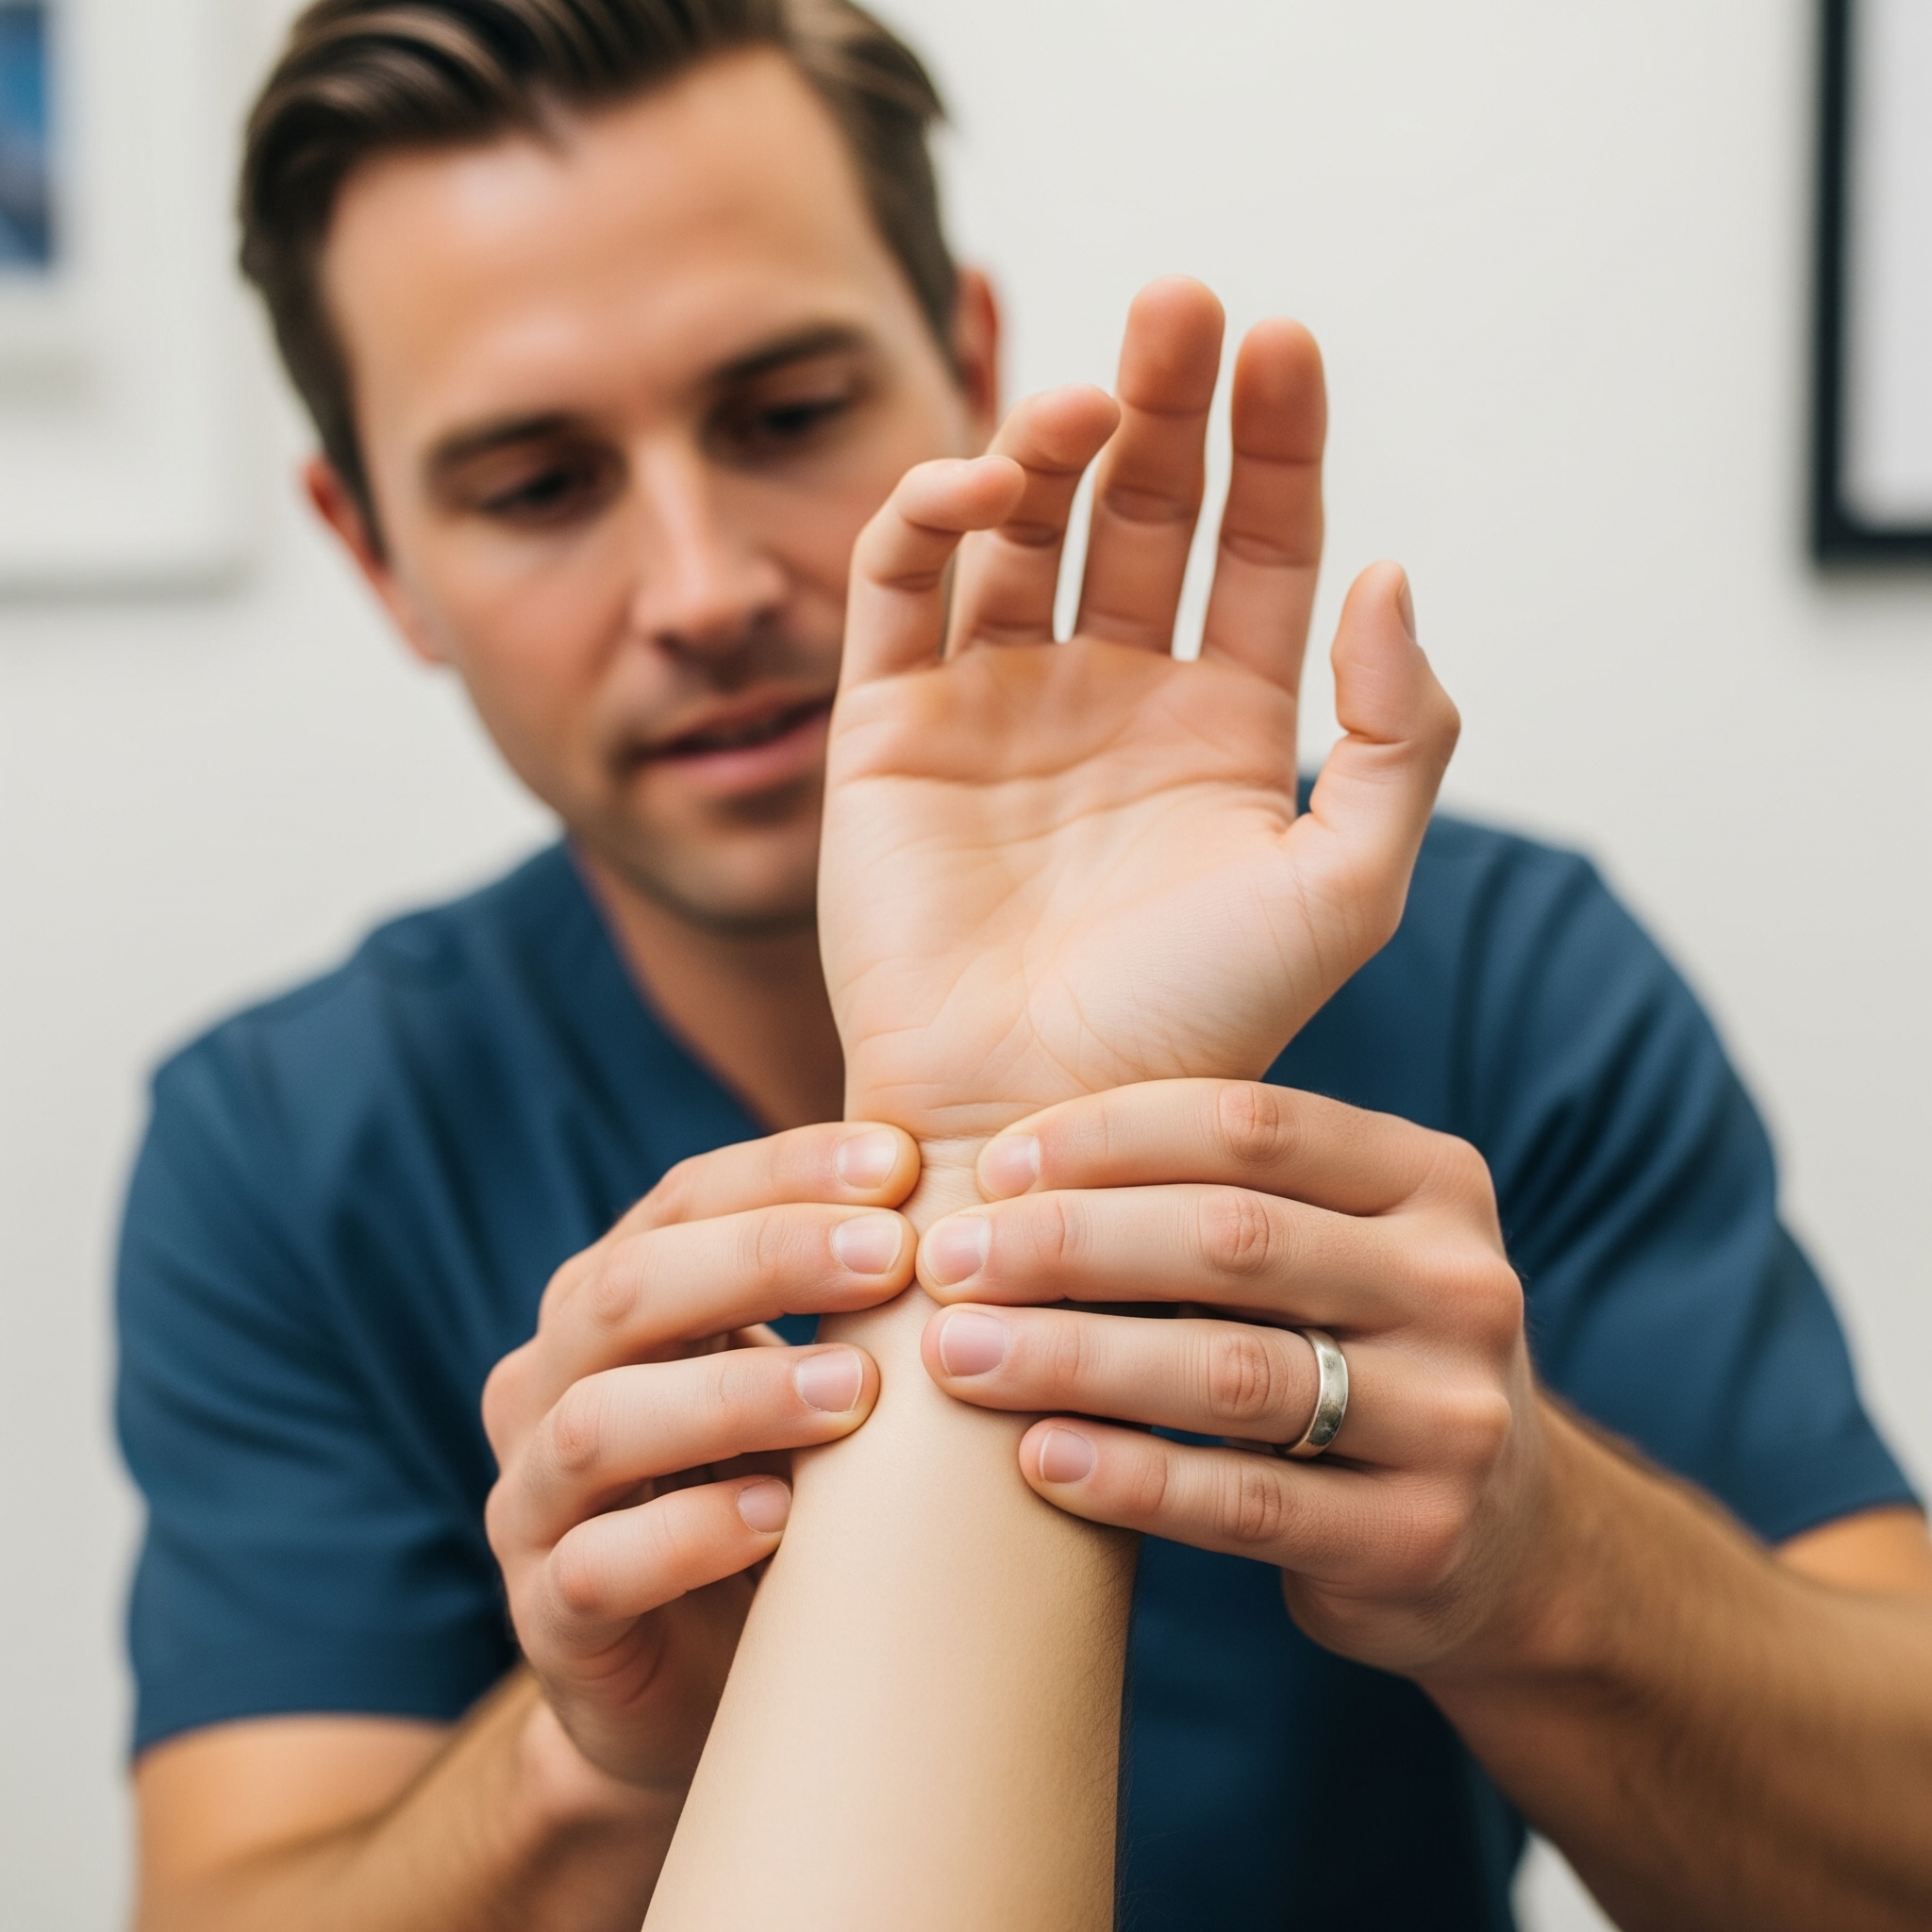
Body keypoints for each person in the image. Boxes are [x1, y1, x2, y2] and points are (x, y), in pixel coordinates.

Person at [117, 3, 1932, 1929]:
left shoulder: (1487, 975)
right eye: (537, 484)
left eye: (787, 413)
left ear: (966, 359)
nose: (704, 581)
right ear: (377, 549)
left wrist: (1545, 1557)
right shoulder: (288, 1146)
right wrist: (593, 1752)